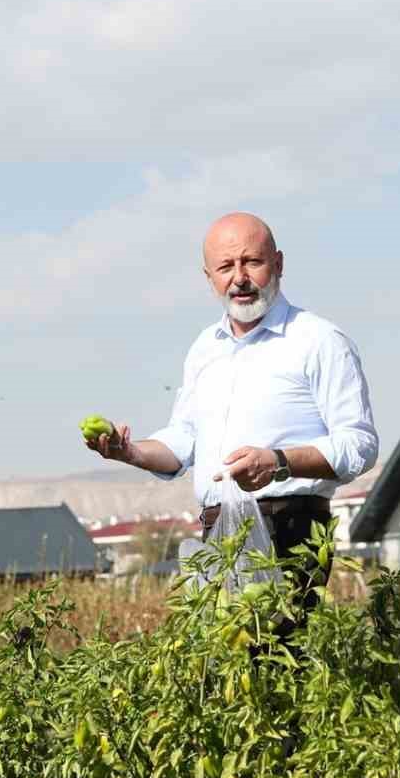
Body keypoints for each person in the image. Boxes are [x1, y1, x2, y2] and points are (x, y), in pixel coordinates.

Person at [86, 212, 379, 626]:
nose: (239, 278)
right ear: (209, 278)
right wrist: (129, 451)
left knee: (277, 653)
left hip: (288, 528)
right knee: (218, 657)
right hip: (217, 530)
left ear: (278, 263)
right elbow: (184, 440)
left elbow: (359, 445)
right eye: (225, 267)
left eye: (251, 262)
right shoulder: (206, 347)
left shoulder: (318, 341)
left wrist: (278, 461)